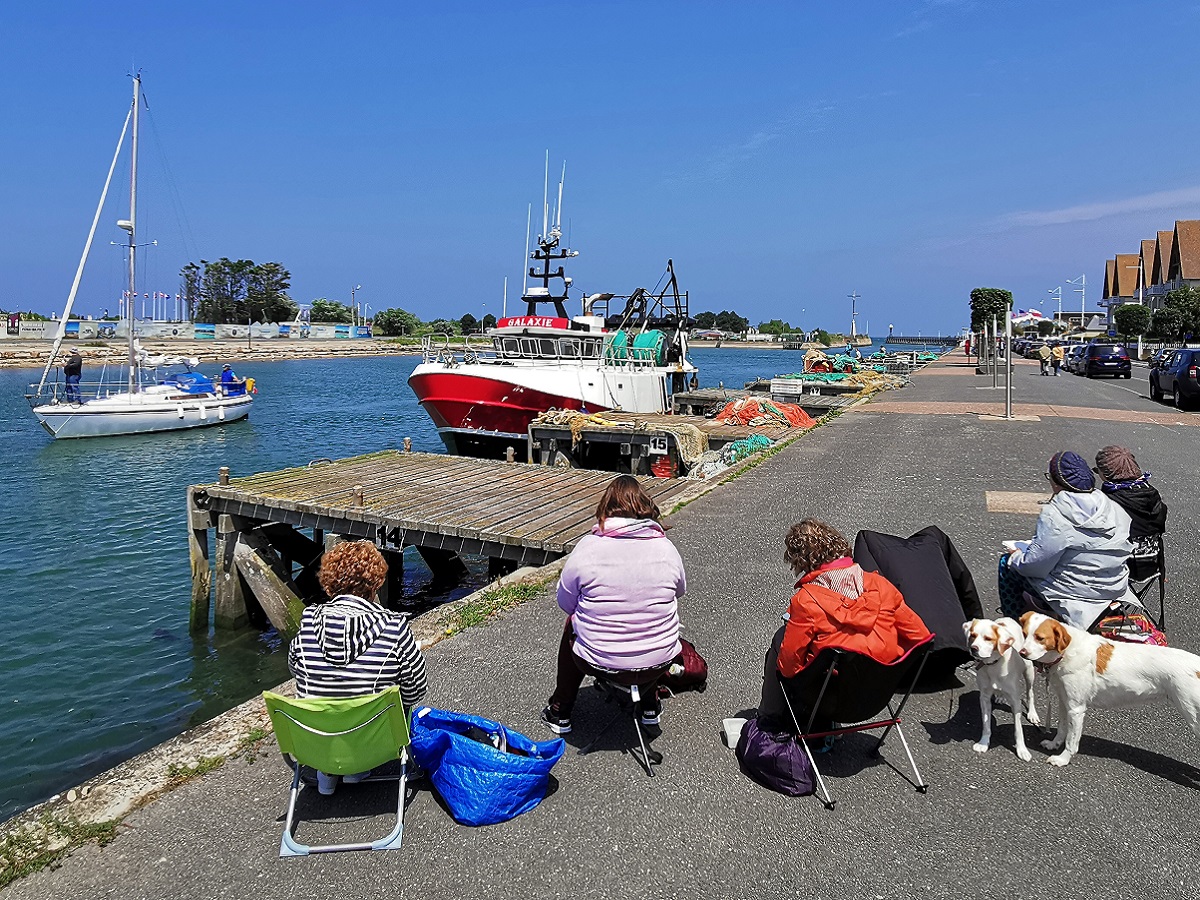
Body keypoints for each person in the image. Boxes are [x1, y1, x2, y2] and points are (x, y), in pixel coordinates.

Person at [757, 519, 930, 742]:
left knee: (781, 640)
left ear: (801, 561)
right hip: (879, 695)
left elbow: (789, 669)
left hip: (830, 700)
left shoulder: (807, 601)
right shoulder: (881, 586)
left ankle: (768, 719)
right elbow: (920, 637)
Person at [542, 475, 686, 734]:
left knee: (571, 625)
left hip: (599, 662)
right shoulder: (666, 548)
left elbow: (565, 603)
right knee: (650, 621)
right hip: (659, 662)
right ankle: (650, 707)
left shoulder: (588, 548)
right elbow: (679, 591)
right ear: (646, 508)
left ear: (606, 508)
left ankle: (560, 710)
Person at [288, 540, 428, 794]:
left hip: (317, 742)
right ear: (376, 582)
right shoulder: (393, 627)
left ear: (330, 582)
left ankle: (328, 772)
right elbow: (416, 690)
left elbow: (295, 669)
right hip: (374, 745)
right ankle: (356, 768)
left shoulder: (308, 622)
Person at [999, 451, 1138, 630]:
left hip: (1076, 592)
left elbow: (1035, 566)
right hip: (1114, 586)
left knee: (1006, 564)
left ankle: (1015, 629)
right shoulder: (1110, 506)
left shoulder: (1056, 514)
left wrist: (1017, 556)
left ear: (1057, 483)